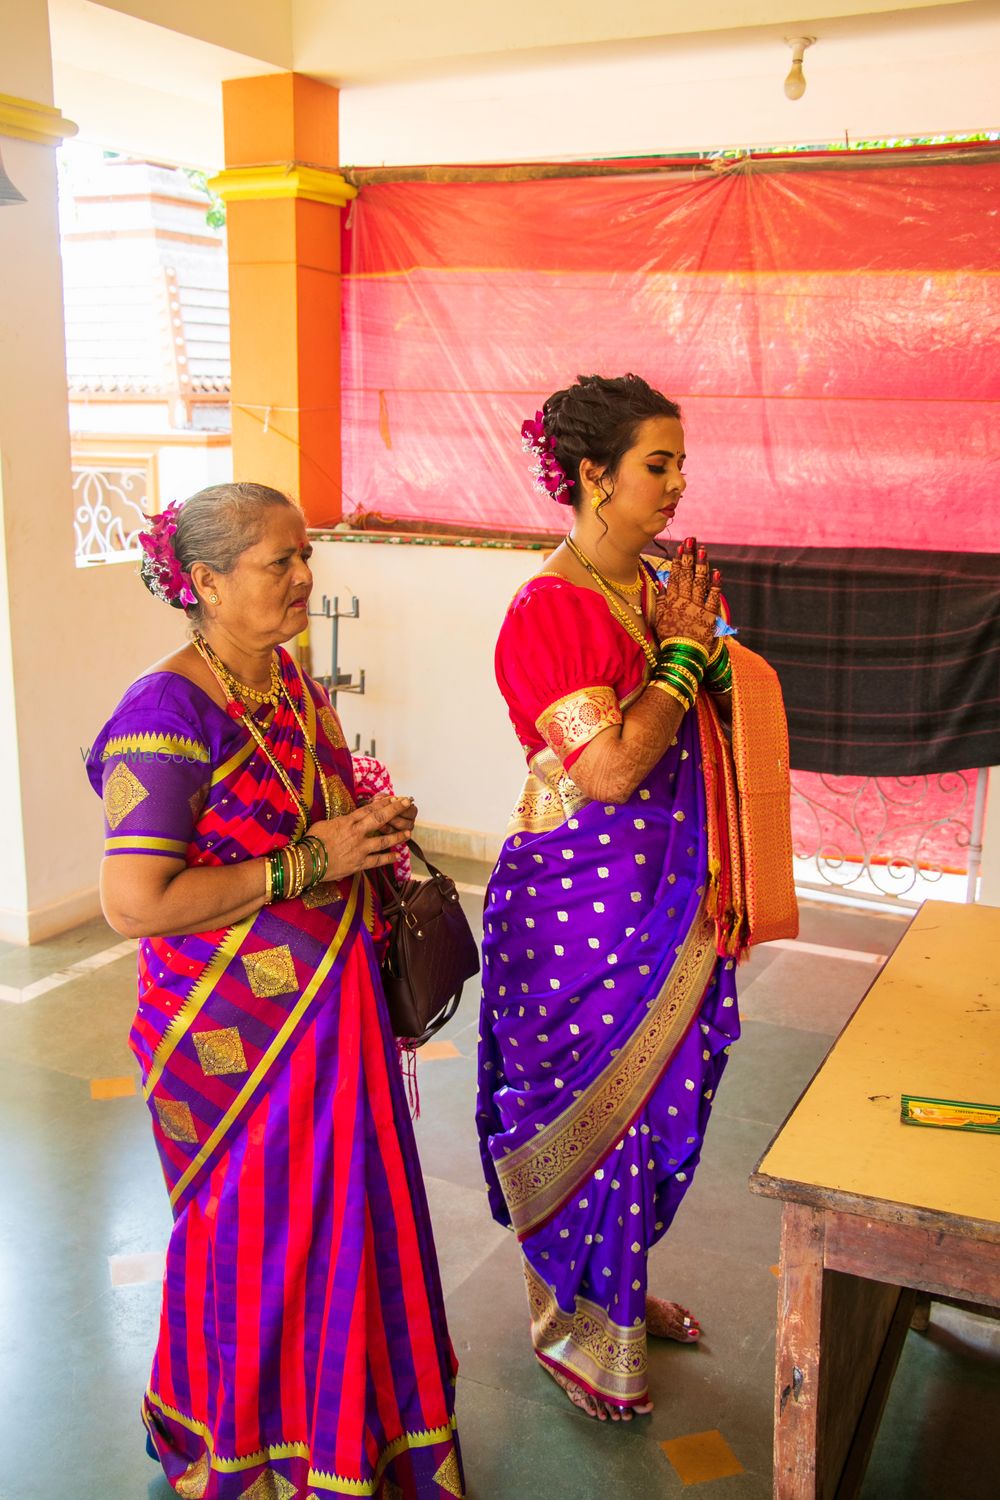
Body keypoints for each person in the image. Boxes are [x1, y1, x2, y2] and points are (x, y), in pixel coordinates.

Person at [86, 482, 465, 1499]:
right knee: (252, 1238)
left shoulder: (286, 682)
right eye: (278, 563)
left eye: (306, 557)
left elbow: (319, 814)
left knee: (346, 1227)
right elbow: (133, 903)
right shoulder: (162, 713)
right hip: (232, 1044)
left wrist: (367, 835)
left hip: (330, 1023)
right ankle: (244, 1447)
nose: (304, 579)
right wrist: (311, 862)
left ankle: (355, 1433)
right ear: (204, 582)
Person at [476, 374, 796, 1422]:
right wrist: (678, 654)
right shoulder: (549, 610)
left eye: (678, 462)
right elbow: (608, 769)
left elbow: (708, 705)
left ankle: (616, 1287)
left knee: (655, 1115)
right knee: (590, 1120)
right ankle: (575, 1331)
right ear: (589, 478)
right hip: (581, 922)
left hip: (672, 905)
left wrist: (696, 651)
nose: (676, 483)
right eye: (657, 464)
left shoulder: (658, 586)